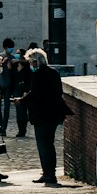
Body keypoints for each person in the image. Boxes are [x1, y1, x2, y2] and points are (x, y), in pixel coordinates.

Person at [25, 48, 68, 184]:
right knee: (50, 143)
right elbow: (59, 91)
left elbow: (35, 94)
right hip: (54, 114)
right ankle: (51, 172)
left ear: (36, 61)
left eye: (31, 62)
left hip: (41, 114)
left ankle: (47, 173)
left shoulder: (38, 75)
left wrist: (21, 100)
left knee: (43, 144)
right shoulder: (54, 73)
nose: (30, 65)